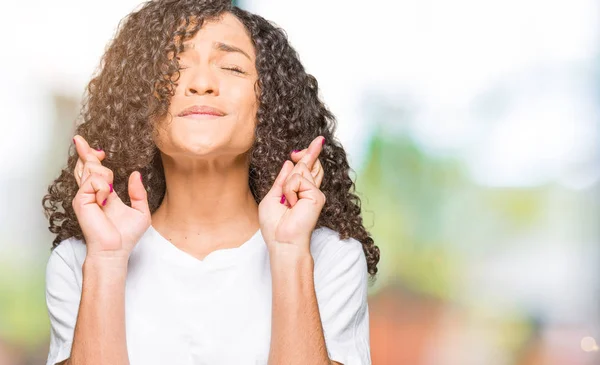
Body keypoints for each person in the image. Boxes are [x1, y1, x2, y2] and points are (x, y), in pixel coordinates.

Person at [42, 1, 380, 364]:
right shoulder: (81, 260)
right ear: (137, 103)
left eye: (232, 67)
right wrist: (107, 260)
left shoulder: (329, 258)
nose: (201, 84)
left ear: (268, 101)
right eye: (174, 67)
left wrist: (289, 252)